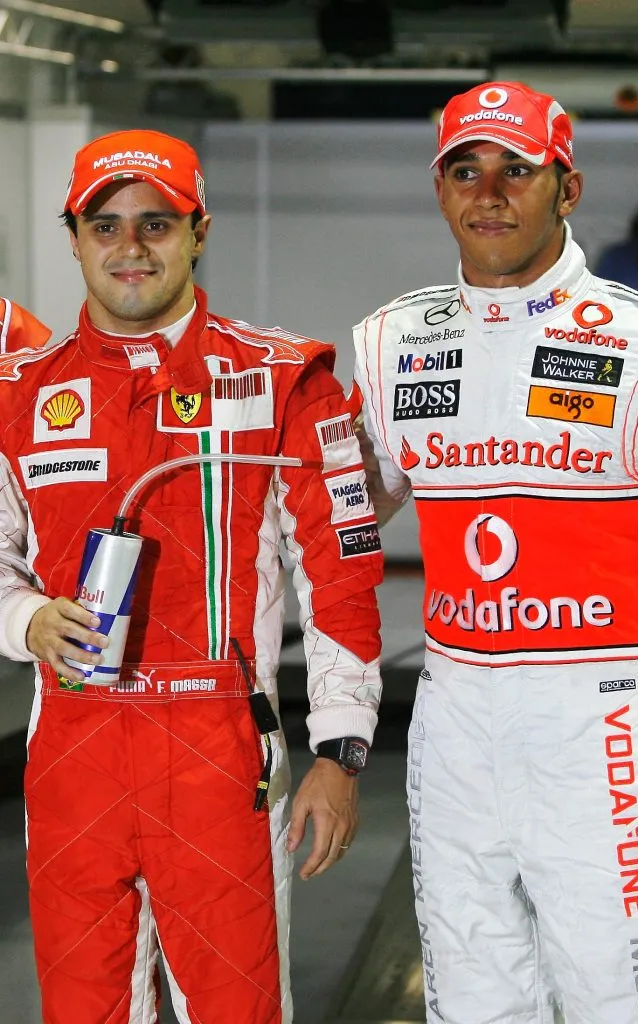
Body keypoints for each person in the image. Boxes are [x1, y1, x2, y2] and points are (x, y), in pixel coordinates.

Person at [349, 80, 638, 1023]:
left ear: (566, 187)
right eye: (465, 170)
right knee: (470, 1000)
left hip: (600, 718)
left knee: (624, 999)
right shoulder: (390, 344)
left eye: (516, 170)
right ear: (439, 189)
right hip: (453, 716)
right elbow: (338, 523)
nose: (489, 193)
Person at [0, 129, 384, 1024]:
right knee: (81, 1009)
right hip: (72, 743)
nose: (130, 248)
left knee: (237, 1011)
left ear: (198, 231)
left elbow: (340, 579)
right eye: (106, 225)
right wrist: (26, 620)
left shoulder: (286, 377)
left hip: (219, 747)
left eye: (156, 224)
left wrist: (340, 750)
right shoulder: (18, 392)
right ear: (74, 237)